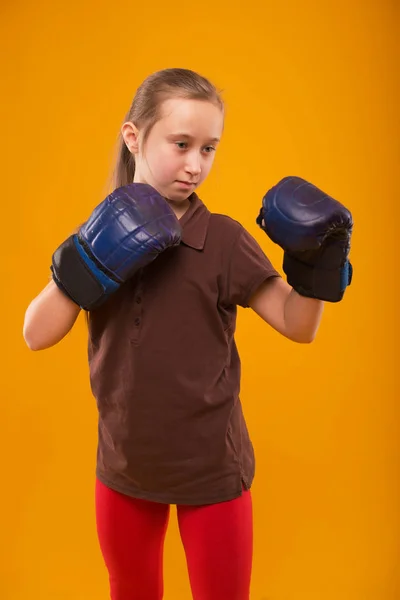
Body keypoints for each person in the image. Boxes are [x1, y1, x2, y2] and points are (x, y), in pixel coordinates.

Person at [23, 68, 353, 600]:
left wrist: (315, 267)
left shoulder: (222, 240)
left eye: (209, 149)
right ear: (134, 138)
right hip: (125, 467)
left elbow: (297, 325)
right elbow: (35, 334)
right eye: (181, 144)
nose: (196, 165)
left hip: (211, 473)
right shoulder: (101, 228)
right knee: (131, 591)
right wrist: (91, 258)